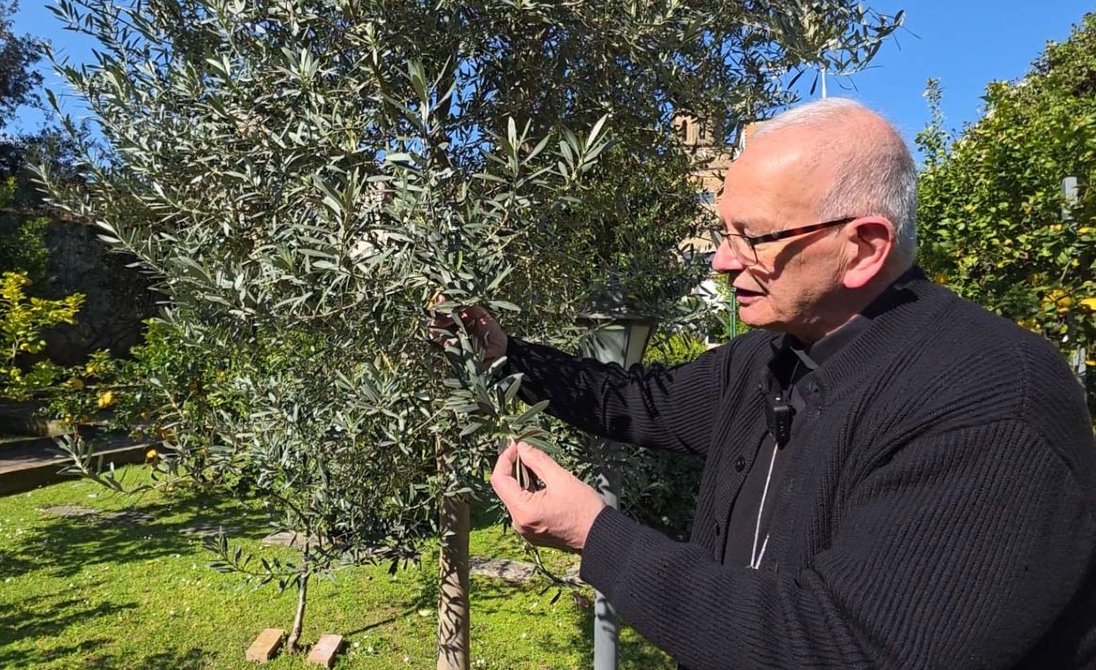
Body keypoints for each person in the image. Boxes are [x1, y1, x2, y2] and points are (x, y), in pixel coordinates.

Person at [434, 98, 1096, 668]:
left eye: (752, 237)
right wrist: (505, 355)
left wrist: (595, 536)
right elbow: (633, 399)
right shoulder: (766, 359)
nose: (723, 261)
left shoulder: (990, 403)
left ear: (863, 246)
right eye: (724, 231)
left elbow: (839, 647)